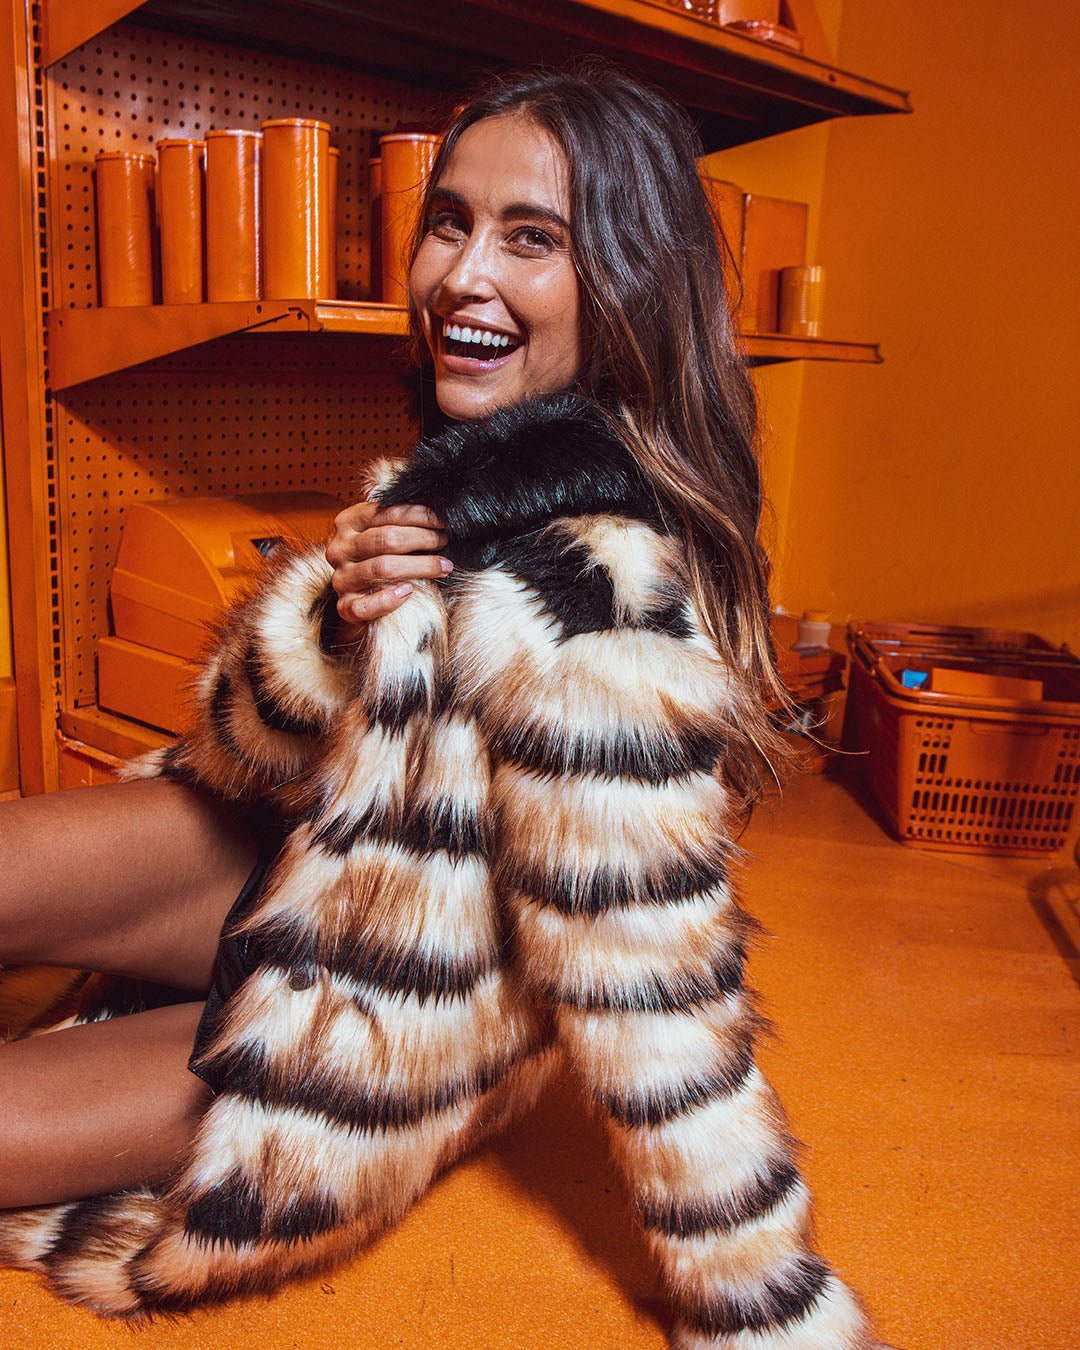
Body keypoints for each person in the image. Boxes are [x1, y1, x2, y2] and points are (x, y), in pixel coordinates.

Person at [0, 64, 874, 1346]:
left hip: (387, 1016)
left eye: (534, 240)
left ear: (629, 281)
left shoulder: (597, 596)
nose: (464, 274)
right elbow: (239, 748)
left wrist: (762, 1297)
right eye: (450, 220)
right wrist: (334, 624)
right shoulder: (455, 482)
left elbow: (655, 990)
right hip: (287, 870)